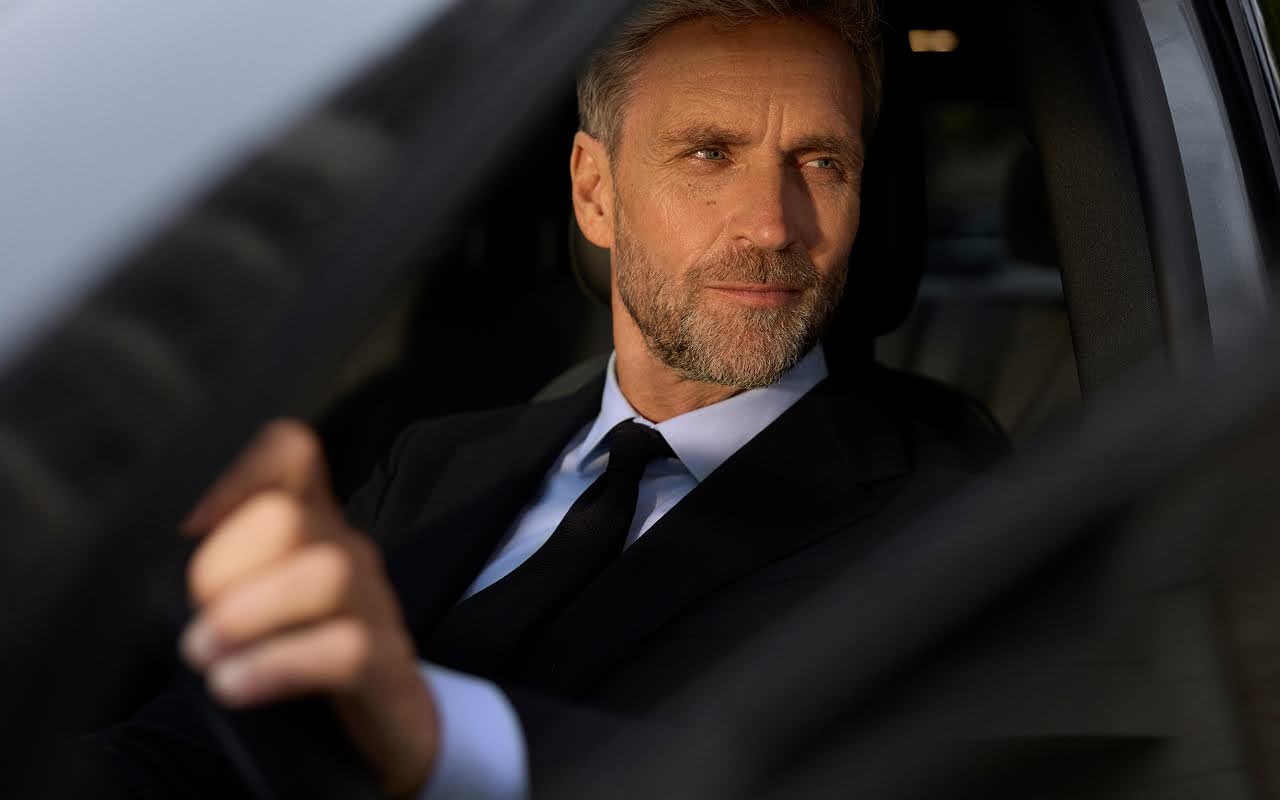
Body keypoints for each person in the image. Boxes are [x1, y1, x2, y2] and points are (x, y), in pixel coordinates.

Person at [87, 1, 1005, 797]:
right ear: (595, 192)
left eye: (822, 163)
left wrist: (430, 729)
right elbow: (195, 746)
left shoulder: (956, 516)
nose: (771, 224)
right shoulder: (437, 461)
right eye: (708, 153)